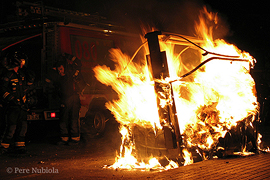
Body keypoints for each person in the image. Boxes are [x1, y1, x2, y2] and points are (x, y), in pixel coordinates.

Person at [49, 54, 86, 145]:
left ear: (64, 67)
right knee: (63, 119)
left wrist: (67, 56)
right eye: (58, 70)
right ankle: (64, 138)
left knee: (73, 118)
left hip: (73, 99)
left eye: (61, 69)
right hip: (64, 100)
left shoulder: (71, 73)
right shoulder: (58, 77)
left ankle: (75, 138)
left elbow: (78, 63)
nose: (60, 71)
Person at [0, 51, 29, 154]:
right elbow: (2, 89)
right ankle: (4, 147)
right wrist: (11, 99)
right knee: (11, 127)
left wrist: (25, 101)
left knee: (23, 126)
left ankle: (19, 146)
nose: (23, 63)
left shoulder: (21, 74)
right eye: (22, 61)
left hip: (21, 106)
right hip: (12, 107)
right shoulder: (8, 74)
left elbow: (24, 88)